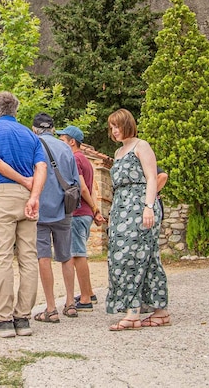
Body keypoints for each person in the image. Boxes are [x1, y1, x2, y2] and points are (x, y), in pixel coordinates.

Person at [0, 92, 47, 338]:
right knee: (29, 258)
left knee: (3, 258)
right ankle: (23, 318)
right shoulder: (31, 135)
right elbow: (41, 167)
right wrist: (34, 195)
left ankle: (4, 319)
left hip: (3, 195)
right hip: (28, 198)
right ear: (16, 111)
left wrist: (23, 182)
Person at [105, 108, 170, 331]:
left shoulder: (141, 146)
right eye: (111, 127)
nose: (114, 131)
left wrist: (148, 207)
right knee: (145, 257)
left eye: (117, 126)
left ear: (127, 125)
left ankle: (133, 313)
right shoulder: (118, 153)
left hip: (140, 206)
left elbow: (153, 177)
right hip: (121, 207)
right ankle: (160, 311)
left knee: (131, 256)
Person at [31, 113, 80, 323]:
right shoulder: (66, 148)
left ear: (34, 129)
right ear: (53, 128)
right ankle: (70, 303)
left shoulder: (32, 146)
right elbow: (75, 180)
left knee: (43, 257)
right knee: (66, 256)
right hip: (64, 208)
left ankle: (50, 307)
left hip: (40, 209)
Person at [56, 125, 106, 312]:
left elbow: (83, 188)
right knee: (78, 252)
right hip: (86, 213)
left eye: (63, 140)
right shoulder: (85, 160)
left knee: (77, 254)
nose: (60, 143)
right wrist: (95, 211)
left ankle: (85, 298)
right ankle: (89, 292)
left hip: (77, 213)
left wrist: (94, 208)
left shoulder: (75, 159)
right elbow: (92, 189)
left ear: (72, 142)